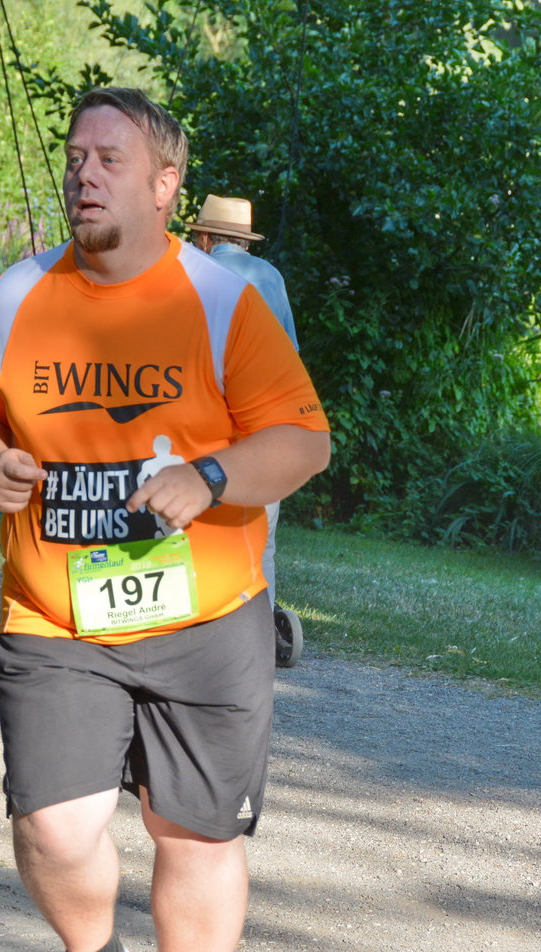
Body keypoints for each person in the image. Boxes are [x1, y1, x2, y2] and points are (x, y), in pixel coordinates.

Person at [0, 87, 330, 952]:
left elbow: (299, 440)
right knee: (52, 826)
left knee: (195, 836)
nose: (82, 173)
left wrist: (205, 480)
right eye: (75, 156)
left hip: (205, 616)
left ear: (165, 185)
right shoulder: (19, 294)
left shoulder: (222, 300)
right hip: (56, 615)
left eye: (109, 158)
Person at [185, 195, 306, 667]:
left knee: (191, 523)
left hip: (205, 427)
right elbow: (289, 357)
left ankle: (191, 623)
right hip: (263, 429)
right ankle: (257, 628)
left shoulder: (192, 274)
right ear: (245, 240)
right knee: (261, 535)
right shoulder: (270, 277)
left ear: (206, 237)